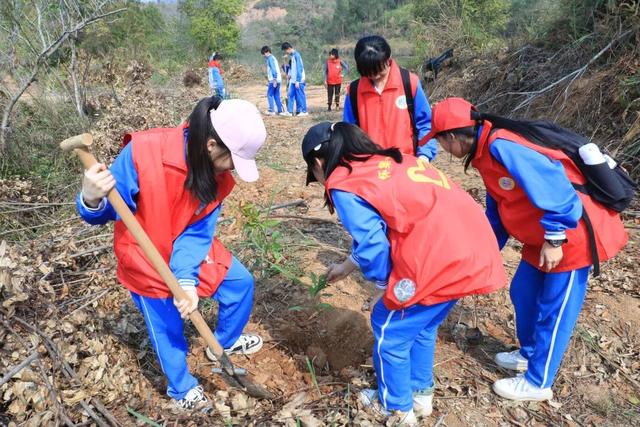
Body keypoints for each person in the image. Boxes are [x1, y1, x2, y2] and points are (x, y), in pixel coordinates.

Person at [301, 122, 507, 425]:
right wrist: (347, 266)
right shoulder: (386, 161)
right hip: (471, 249)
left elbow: (374, 246)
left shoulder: (343, 182)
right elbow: (384, 227)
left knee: (389, 326)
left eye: (315, 176)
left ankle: (396, 408)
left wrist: (387, 287)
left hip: (440, 258)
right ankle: (420, 395)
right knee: (420, 326)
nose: (320, 181)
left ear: (319, 163)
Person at [424, 97, 628, 401]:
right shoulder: (484, 153)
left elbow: (555, 187)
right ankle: (531, 352)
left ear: (452, 136)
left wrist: (556, 238)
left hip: (571, 234)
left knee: (554, 309)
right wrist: (482, 250)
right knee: (523, 291)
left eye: (440, 142)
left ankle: (537, 381)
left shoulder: (502, 146)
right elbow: (499, 209)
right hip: (541, 234)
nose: (442, 150)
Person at [76, 97, 267, 411]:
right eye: (233, 159)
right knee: (168, 329)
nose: (233, 168)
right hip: (144, 256)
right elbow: (108, 211)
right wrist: (90, 197)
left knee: (240, 283)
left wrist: (186, 280)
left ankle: (221, 343)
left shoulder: (219, 179)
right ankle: (181, 389)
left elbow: (196, 233)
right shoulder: (143, 152)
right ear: (210, 145)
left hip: (185, 248)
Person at [343, 35, 438, 162]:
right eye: (368, 72)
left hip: (406, 163)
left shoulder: (409, 82)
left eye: (378, 69)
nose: (374, 75)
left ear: (388, 59)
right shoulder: (354, 91)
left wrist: (424, 155)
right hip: (370, 166)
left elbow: (426, 123)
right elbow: (348, 132)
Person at [281, 42, 308, 117]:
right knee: (291, 95)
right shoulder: (292, 56)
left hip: (299, 80)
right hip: (293, 80)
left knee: (300, 95)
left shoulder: (297, 55)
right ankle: (289, 111)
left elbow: (299, 69)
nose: (286, 52)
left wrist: (298, 81)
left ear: (289, 49)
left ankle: (304, 111)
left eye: (285, 51)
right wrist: (290, 75)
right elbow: (293, 69)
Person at [261, 46, 285, 116]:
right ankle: (280, 110)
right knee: (276, 95)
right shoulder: (274, 58)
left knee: (270, 94)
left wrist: (274, 79)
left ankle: (271, 110)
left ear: (267, 52)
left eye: (264, 54)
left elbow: (273, 69)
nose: (264, 56)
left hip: (274, 80)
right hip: (278, 79)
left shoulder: (270, 59)